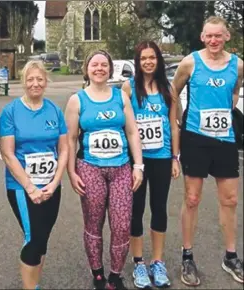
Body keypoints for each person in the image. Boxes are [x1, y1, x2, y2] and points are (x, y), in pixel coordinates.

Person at [172, 16, 243, 286]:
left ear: (226, 36)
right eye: (209, 36)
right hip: (196, 138)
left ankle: (231, 256)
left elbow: (235, 91)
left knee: (231, 199)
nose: (214, 40)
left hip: (224, 139)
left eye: (218, 36)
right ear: (202, 37)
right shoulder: (190, 62)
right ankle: (187, 256)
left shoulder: (237, 65)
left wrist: (228, 107)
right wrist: (179, 119)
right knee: (192, 198)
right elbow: (174, 90)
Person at [65, 50, 143, 290]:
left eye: (104, 65)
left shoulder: (121, 97)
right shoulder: (77, 100)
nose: (99, 68)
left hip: (120, 168)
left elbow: (132, 132)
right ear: (87, 69)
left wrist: (138, 165)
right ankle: (97, 272)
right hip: (89, 167)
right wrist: (71, 172)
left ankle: (116, 274)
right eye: (94, 65)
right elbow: (69, 139)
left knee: (121, 224)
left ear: (110, 69)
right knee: (94, 222)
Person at [0, 60, 68, 290]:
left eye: (39, 79)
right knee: (33, 239)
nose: (35, 84)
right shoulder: (10, 112)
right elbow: (8, 154)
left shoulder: (54, 111)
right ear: (23, 82)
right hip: (22, 188)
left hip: (51, 186)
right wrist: (30, 187)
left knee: (43, 238)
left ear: (46, 82)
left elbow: (64, 149)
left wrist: (56, 182)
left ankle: (34, 281)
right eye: (30, 79)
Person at [122, 41, 180, 288]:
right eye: (143, 58)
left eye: (152, 58)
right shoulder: (128, 88)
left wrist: (176, 157)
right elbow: (123, 124)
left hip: (162, 158)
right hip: (136, 162)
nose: (148, 62)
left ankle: (157, 261)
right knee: (136, 211)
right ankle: (138, 263)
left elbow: (174, 125)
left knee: (159, 208)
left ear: (158, 60)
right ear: (138, 61)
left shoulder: (168, 87)